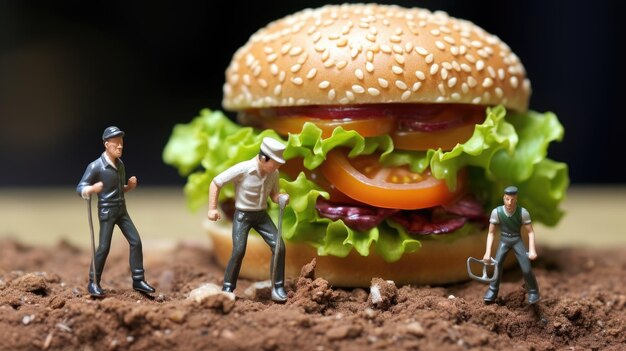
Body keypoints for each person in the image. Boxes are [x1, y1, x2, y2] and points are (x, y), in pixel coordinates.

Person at [208, 137, 290, 302]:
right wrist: (212, 208)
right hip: (243, 216)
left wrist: (280, 197)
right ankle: (228, 287)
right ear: (263, 157)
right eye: (274, 163)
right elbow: (216, 183)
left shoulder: (273, 173)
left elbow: (273, 194)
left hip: (261, 215)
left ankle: (278, 287)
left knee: (279, 246)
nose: (277, 167)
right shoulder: (243, 169)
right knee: (238, 250)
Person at [77, 126, 155, 297]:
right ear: (106, 144)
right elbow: (80, 187)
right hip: (107, 211)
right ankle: (93, 282)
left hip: (122, 209)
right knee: (104, 247)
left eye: (121, 144)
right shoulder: (96, 166)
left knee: (135, 241)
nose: (120, 147)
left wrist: (129, 187)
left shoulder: (120, 165)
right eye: (116, 144)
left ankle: (138, 280)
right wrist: (91, 189)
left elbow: (118, 189)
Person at [482, 186, 540, 304]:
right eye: (507, 199)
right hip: (504, 240)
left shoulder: (522, 213)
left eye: (512, 200)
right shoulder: (496, 212)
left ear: (516, 199)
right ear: (504, 198)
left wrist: (532, 250)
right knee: (497, 266)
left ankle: (533, 291)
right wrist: (487, 252)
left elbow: (530, 232)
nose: (509, 202)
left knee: (526, 268)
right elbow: (491, 233)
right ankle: (493, 290)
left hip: (516, 240)